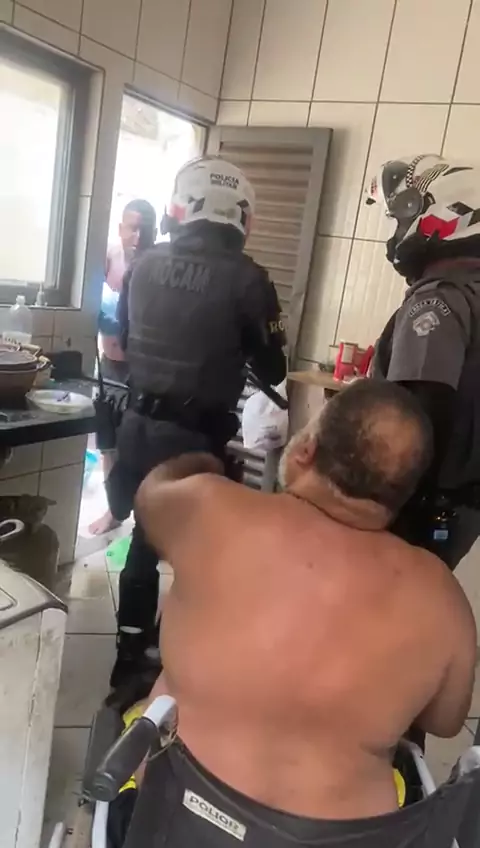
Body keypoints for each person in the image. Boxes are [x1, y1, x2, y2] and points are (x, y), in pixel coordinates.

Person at [126, 379, 475, 845]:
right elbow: (446, 720)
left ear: (306, 450)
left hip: (178, 823)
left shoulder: (209, 508)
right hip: (339, 840)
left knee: (160, 698)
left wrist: (205, 465)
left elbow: (149, 495)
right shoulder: (442, 596)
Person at [107, 156, 287, 689]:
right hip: (194, 438)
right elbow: (274, 368)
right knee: (198, 549)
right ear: (242, 216)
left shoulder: (143, 264)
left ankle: (129, 652)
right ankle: (178, 656)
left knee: (144, 537)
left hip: (136, 426)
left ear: (181, 207)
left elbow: (125, 337)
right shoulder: (249, 279)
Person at [366, 154, 480, 570]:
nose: (398, 232)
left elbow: (418, 409)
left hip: (418, 505)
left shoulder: (439, 297)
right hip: (459, 502)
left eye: (401, 219)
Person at [89, 199, 157, 536]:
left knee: (140, 446)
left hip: (141, 371)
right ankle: (114, 510)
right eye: (132, 228)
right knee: (107, 443)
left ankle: (145, 518)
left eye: (146, 229)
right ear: (120, 229)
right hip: (109, 367)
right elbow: (85, 299)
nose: (138, 236)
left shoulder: (158, 266)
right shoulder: (108, 257)